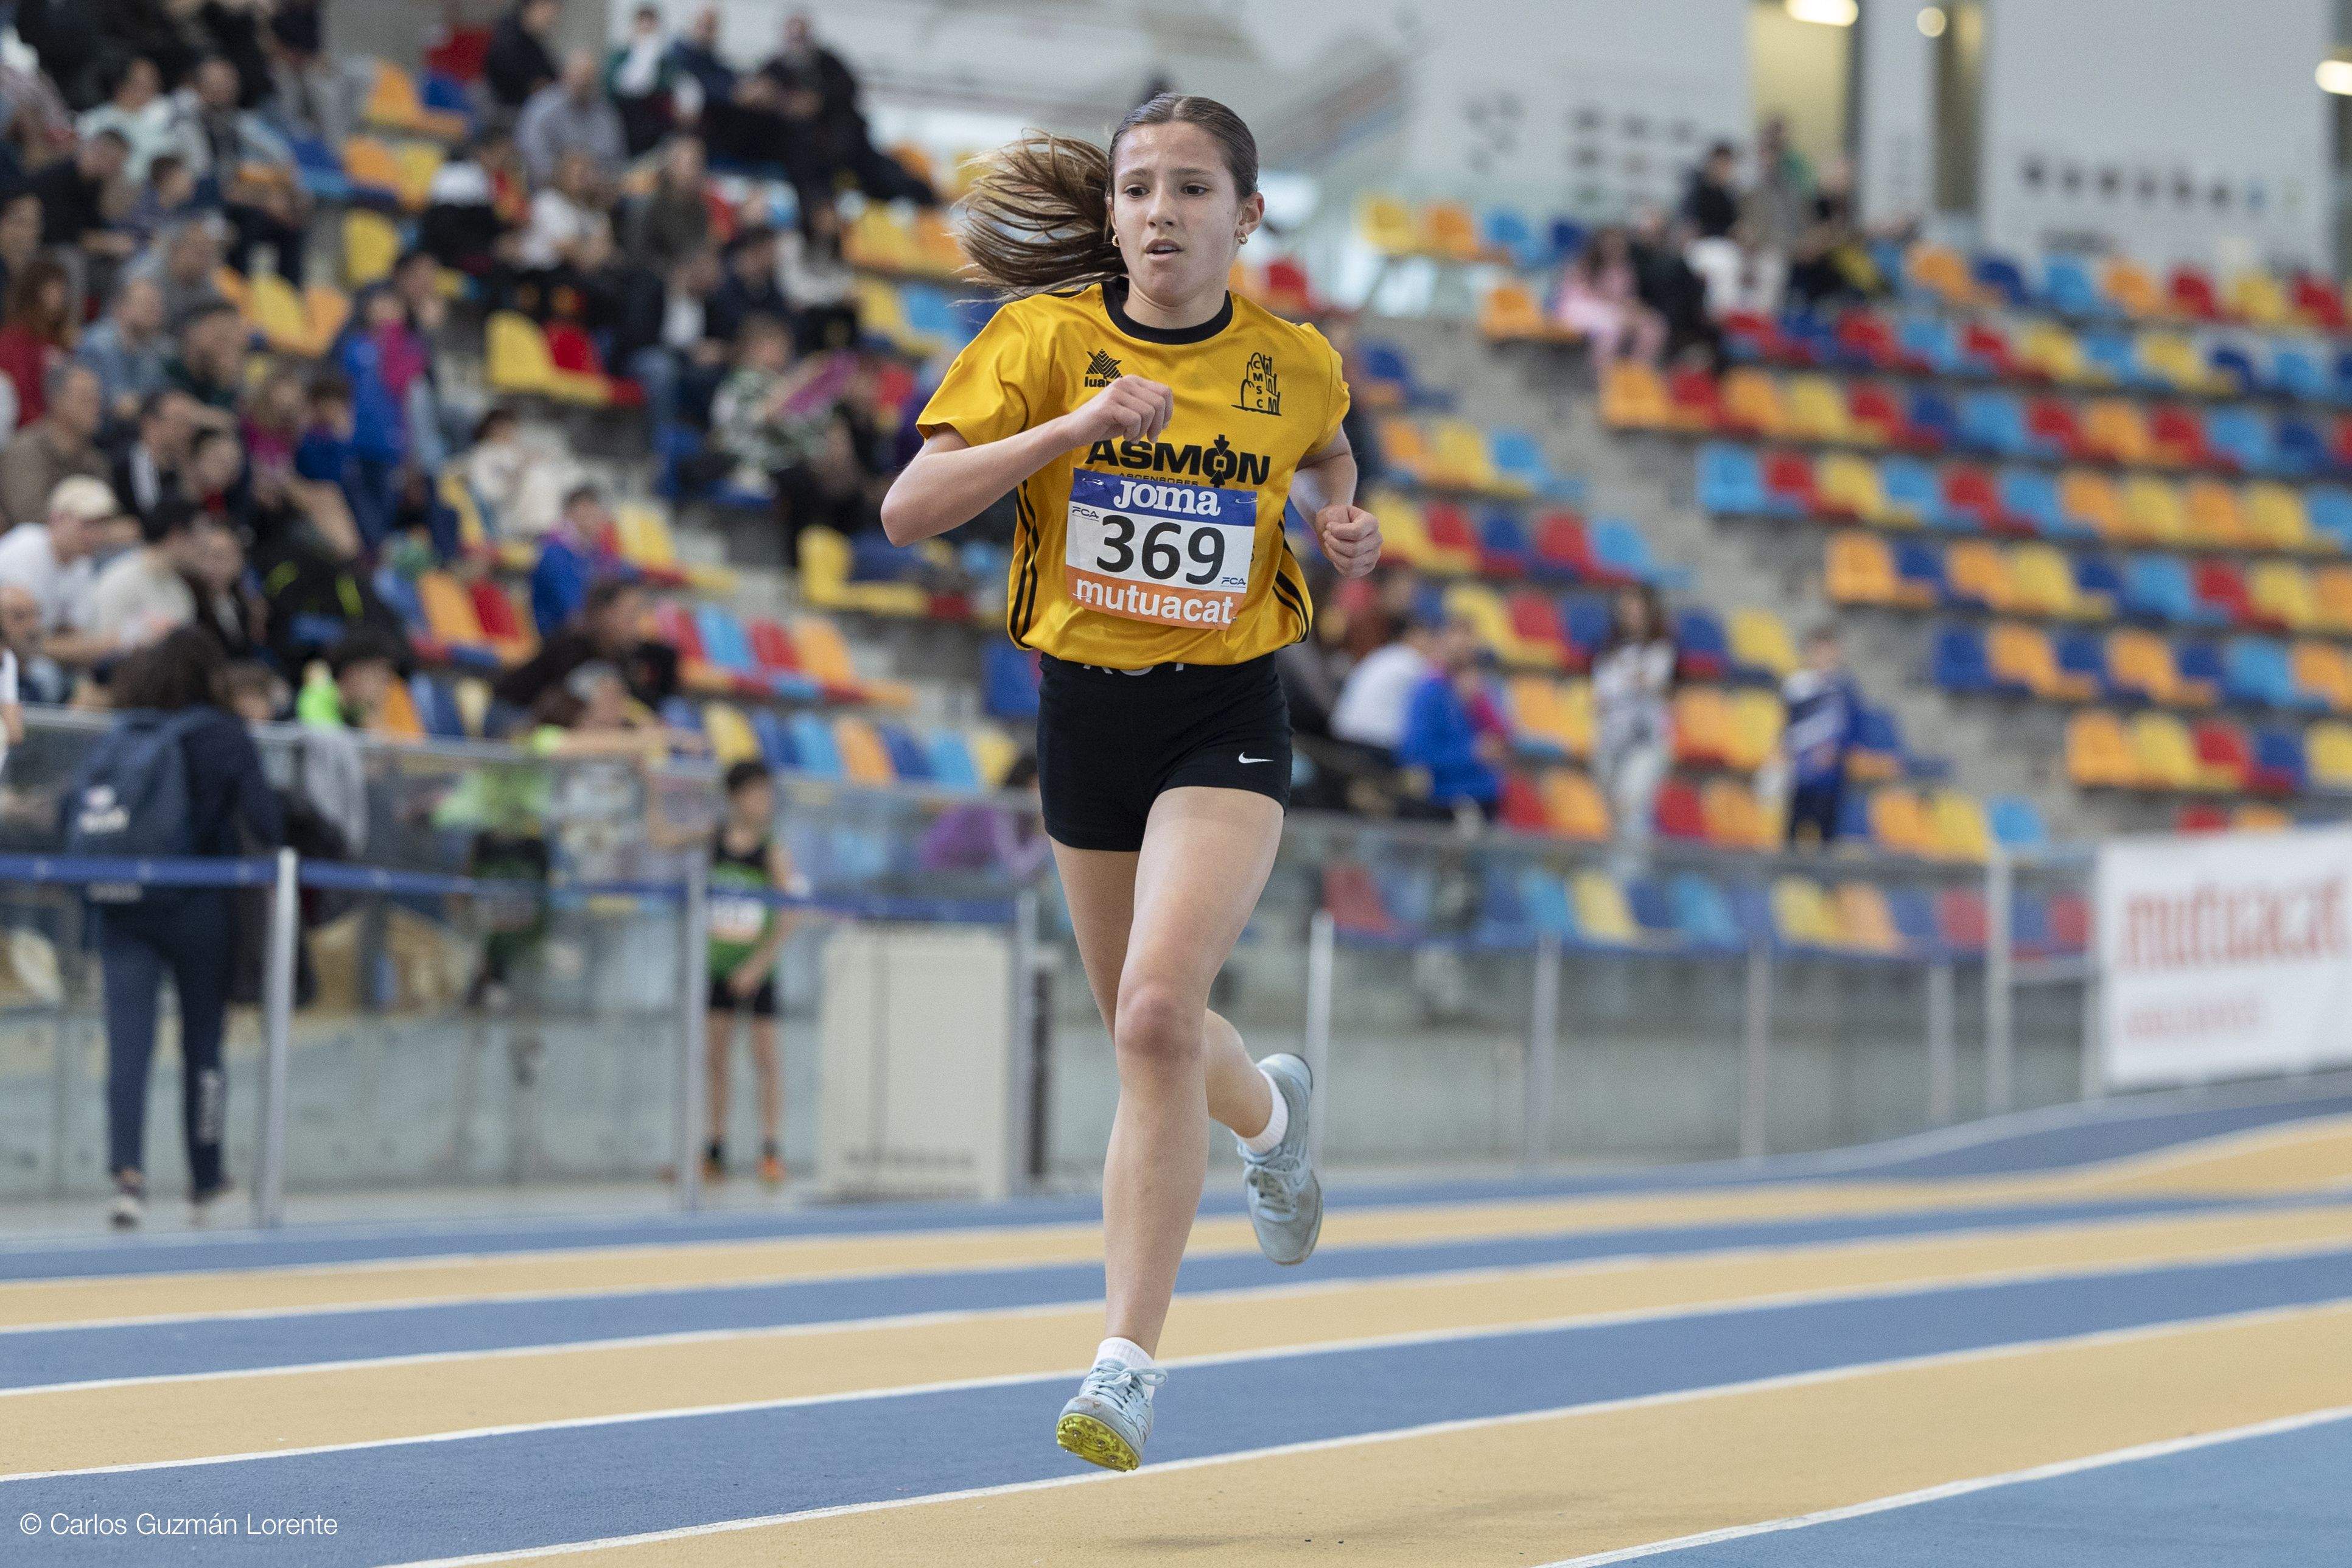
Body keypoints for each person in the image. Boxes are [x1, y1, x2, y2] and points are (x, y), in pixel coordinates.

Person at [881, 94, 1380, 1472]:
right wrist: (1074, 429)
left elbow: (1333, 445)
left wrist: (1346, 514)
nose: (1162, 212)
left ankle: (1125, 1366)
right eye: (1140, 189)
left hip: (1223, 711)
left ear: (1247, 216)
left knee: (1160, 1010)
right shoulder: (1043, 342)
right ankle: (1273, 1117)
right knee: (1144, 1032)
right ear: (1110, 216)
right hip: (1084, 713)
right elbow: (909, 509)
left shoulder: (1292, 363)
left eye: (1192, 189)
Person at [75, 627, 285, 1228]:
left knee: (127, 1043)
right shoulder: (222, 734)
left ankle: (127, 1178)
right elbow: (265, 818)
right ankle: (206, 1176)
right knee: (203, 1047)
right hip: (200, 903)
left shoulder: (125, 731)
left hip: (122, 902)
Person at [693, 760, 796, 1186]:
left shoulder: (772, 849)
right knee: (717, 1060)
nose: (763, 802)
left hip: (757, 972)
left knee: (765, 1060)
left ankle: (770, 1149)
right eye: (755, 793)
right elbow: (661, 837)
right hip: (718, 966)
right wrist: (653, 790)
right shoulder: (713, 840)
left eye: (767, 794)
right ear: (735, 798)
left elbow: (791, 914)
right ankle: (715, 1148)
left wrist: (757, 966)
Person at [1591, 585, 1677, 862]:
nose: (1630, 616)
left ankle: (1630, 878)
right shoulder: (1608, 651)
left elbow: (1655, 684)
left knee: (1631, 805)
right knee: (1612, 814)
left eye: (1636, 610)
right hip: (1611, 741)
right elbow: (1602, 695)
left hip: (1645, 743)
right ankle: (1615, 878)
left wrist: (1635, 680)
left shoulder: (1660, 650)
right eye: (1626, 610)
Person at [0, 475, 118, 668]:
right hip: (12, 656)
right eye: (87, 525)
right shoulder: (26, 547)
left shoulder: (82, 566)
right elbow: (18, 639)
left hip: (32, 654)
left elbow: (74, 633)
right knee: (44, 674)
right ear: (57, 519)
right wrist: (96, 646)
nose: (96, 535)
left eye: (101, 526)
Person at [1395, 618, 1505, 819]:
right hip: (1447, 800)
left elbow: (1502, 738)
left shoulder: (1484, 691)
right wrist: (1472, 753)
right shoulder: (1428, 693)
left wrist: (1478, 703)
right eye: (1457, 640)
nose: (1464, 647)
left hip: (1486, 793)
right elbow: (1415, 753)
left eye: (1469, 641)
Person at [0, 362, 107, 525]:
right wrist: (99, 531)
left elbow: (109, 513)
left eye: (97, 399)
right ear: (57, 401)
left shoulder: (95, 459)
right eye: (85, 399)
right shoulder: (25, 452)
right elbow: (30, 519)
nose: (96, 408)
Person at [1783, 623, 1861, 849]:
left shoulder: (1845, 690)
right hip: (1800, 774)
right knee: (1793, 835)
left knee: (1827, 838)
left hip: (1832, 778)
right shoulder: (1797, 687)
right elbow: (1788, 726)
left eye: (1828, 651)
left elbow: (1853, 729)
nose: (1823, 658)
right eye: (1818, 651)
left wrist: (1835, 752)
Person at [1550, 227, 1665, 368]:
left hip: (1612, 310)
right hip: (1581, 309)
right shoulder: (1584, 265)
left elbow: (1628, 298)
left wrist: (1635, 311)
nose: (1615, 248)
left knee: (1653, 325)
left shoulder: (1624, 269)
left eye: (1619, 244)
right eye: (1610, 244)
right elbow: (1586, 296)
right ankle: (1602, 371)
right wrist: (1618, 307)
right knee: (1612, 326)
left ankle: (1637, 371)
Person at [517, 51, 627, 184]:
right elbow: (533, 156)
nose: (583, 83)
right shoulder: (541, 109)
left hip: (598, 191)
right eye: (579, 77)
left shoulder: (605, 113)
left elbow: (616, 159)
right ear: (565, 76)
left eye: (589, 79)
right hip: (550, 191)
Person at [1329, 618, 1435, 754]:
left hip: (1347, 732)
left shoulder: (1386, 653)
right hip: (1372, 740)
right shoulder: (1410, 660)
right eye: (1428, 637)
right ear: (1413, 635)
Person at [77, 275, 172, 421]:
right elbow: (122, 407)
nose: (156, 312)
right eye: (148, 305)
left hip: (135, 429)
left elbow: (161, 395)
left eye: (158, 306)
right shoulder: (100, 343)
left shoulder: (156, 346)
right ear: (121, 307)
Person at [604, 5, 679, 156]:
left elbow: (667, 88)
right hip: (622, 121)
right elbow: (612, 87)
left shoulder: (665, 63)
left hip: (652, 123)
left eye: (650, 28)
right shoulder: (619, 56)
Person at [485, 0, 562, 111]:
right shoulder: (507, 39)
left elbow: (552, 77)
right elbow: (533, 85)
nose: (552, 20)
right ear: (537, 6)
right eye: (550, 13)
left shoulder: (534, 43)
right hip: (509, 112)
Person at [1681, 141, 1741, 240]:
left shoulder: (1731, 197)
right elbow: (1689, 224)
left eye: (1726, 166)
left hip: (1726, 247)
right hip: (1700, 245)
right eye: (1720, 165)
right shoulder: (1696, 193)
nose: (1723, 170)